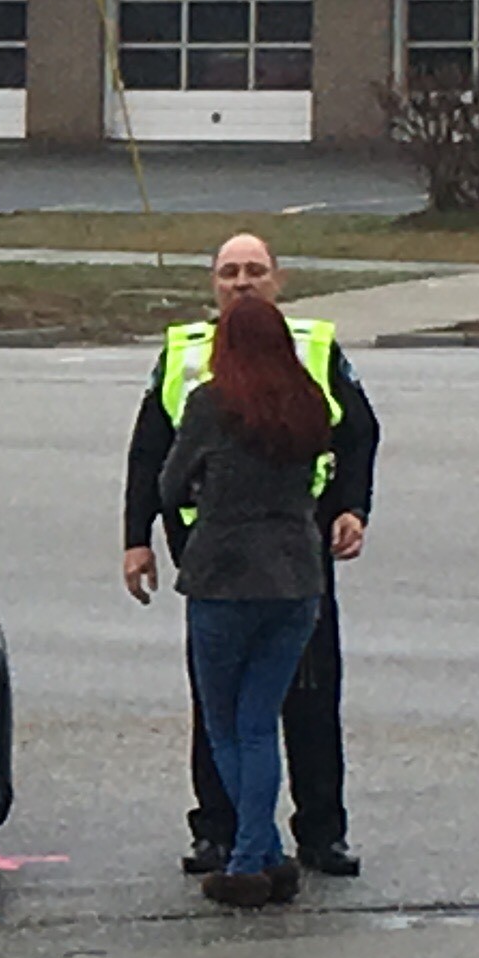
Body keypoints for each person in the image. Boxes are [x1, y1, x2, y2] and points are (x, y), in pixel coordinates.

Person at [121, 233, 377, 876]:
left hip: (299, 555)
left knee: (300, 705)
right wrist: (136, 538)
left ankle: (317, 833)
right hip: (218, 560)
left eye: (254, 271)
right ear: (212, 283)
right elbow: (146, 451)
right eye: (230, 272)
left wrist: (354, 507)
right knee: (229, 713)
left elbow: (361, 435)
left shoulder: (315, 351)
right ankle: (221, 830)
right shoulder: (182, 355)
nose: (241, 282)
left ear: (278, 281)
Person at [154, 296, 345, 908]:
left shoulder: (212, 403)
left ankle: (247, 859)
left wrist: (208, 489)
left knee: (224, 724)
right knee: (261, 722)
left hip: (224, 577)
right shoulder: (309, 402)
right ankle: (266, 855)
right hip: (296, 576)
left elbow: (169, 482)